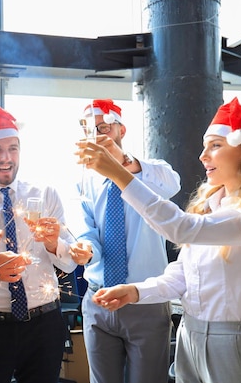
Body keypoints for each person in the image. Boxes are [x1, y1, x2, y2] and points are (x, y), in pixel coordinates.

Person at [76, 97, 241, 383]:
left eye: (215, 146)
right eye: (204, 146)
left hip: (232, 340)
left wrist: (119, 174)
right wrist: (135, 291)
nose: (203, 156)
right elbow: (181, 276)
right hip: (189, 334)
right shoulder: (212, 204)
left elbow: (180, 228)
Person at [0, 107, 90, 383]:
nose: (6, 158)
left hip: (45, 324)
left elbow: (68, 262)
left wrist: (53, 244)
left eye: (13, 149)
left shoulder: (45, 194)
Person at [74, 98, 181, 383]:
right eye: (89, 130)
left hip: (145, 300)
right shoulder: (84, 182)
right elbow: (88, 232)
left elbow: (173, 183)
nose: (96, 135)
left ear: (121, 130)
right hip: (97, 299)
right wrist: (85, 250)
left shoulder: (149, 171)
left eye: (103, 128)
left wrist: (122, 163)